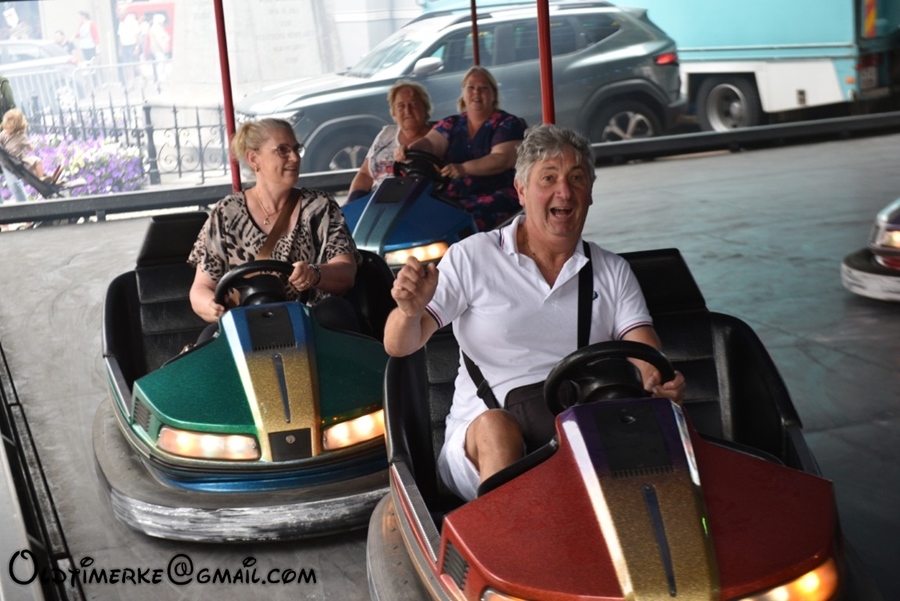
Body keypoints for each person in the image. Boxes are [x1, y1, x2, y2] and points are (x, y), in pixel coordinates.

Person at [384, 124, 686, 502]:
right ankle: (506, 533)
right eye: (549, 178)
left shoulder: (611, 270)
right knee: (498, 429)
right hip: (482, 437)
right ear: (522, 190)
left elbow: (645, 352)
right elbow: (399, 345)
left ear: (590, 193)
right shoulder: (473, 257)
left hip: (579, 425)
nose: (565, 191)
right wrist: (409, 311)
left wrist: (660, 381)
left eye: (577, 178)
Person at [188, 118, 361, 334]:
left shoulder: (319, 206)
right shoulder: (225, 213)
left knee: (333, 311)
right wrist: (211, 306)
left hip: (311, 325)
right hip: (247, 327)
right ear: (254, 159)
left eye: (296, 149)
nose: (295, 157)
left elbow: (346, 273)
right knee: (208, 339)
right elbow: (201, 288)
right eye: (283, 150)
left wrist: (314, 273)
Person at [396, 66, 526, 230]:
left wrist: (464, 168)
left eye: (483, 88)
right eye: (471, 88)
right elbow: (430, 143)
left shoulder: (508, 123)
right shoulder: (452, 123)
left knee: (456, 220)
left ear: (493, 95)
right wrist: (409, 150)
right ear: (463, 94)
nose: (476, 93)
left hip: (495, 195)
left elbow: (502, 159)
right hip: (452, 196)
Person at [347, 80, 432, 203]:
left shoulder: (438, 136)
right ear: (394, 113)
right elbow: (365, 174)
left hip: (415, 203)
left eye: (414, 104)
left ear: (425, 108)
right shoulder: (387, 133)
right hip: (374, 202)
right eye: (401, 106)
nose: (407, 111)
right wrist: (351, 203)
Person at [0, 108, 44, 204]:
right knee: (14, 184)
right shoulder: (4, 134)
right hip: (6, 160)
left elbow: (29, 146)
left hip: (18, 161)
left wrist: (32, 146)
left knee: (15, 184)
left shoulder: (21, 136)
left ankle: (42, 180)